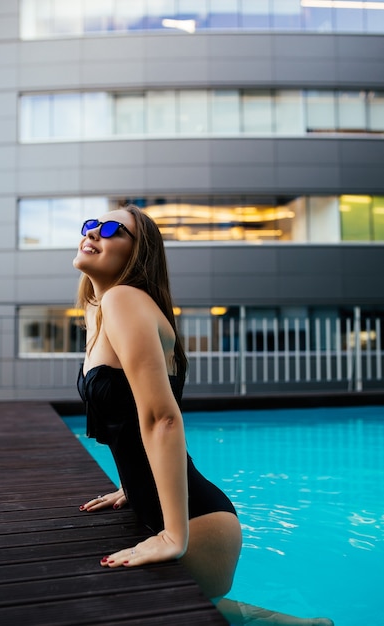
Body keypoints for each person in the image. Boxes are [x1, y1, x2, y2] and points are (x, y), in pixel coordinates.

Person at [74, 204, 334, 626]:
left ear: (139, 254)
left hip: (196, 523)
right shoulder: (100, 309)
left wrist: (175, 535)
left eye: (111, 229)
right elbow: (125, 411)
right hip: (162, 509)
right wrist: (132, 482)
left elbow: (163, 418)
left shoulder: (124, 300)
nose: (93, 232)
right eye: (90, 224)